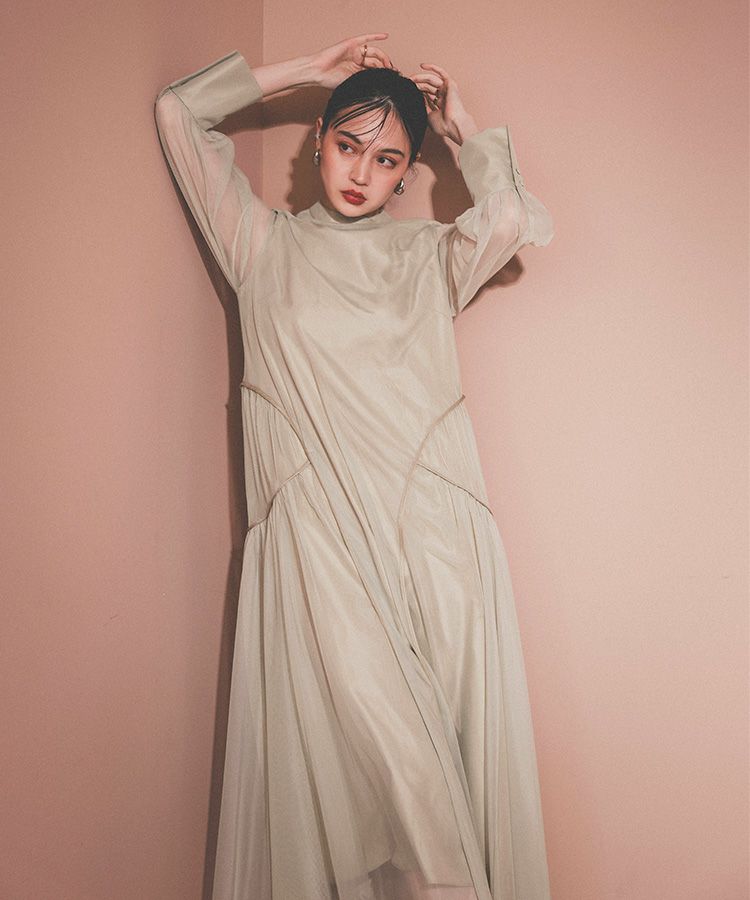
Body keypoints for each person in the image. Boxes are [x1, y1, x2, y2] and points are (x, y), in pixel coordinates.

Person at [154, 31, 554, 900]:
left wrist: (462, 130)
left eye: (387, 159)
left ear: (406, 176)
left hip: (427, 548)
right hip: (321, 556)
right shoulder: (260, 246)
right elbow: (180, 115)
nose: (360, 172)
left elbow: (506, 220)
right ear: (318, 142)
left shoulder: (427, 258)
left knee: (430, 805)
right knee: (397, 797)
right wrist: (306, 72)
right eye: (346, 144)